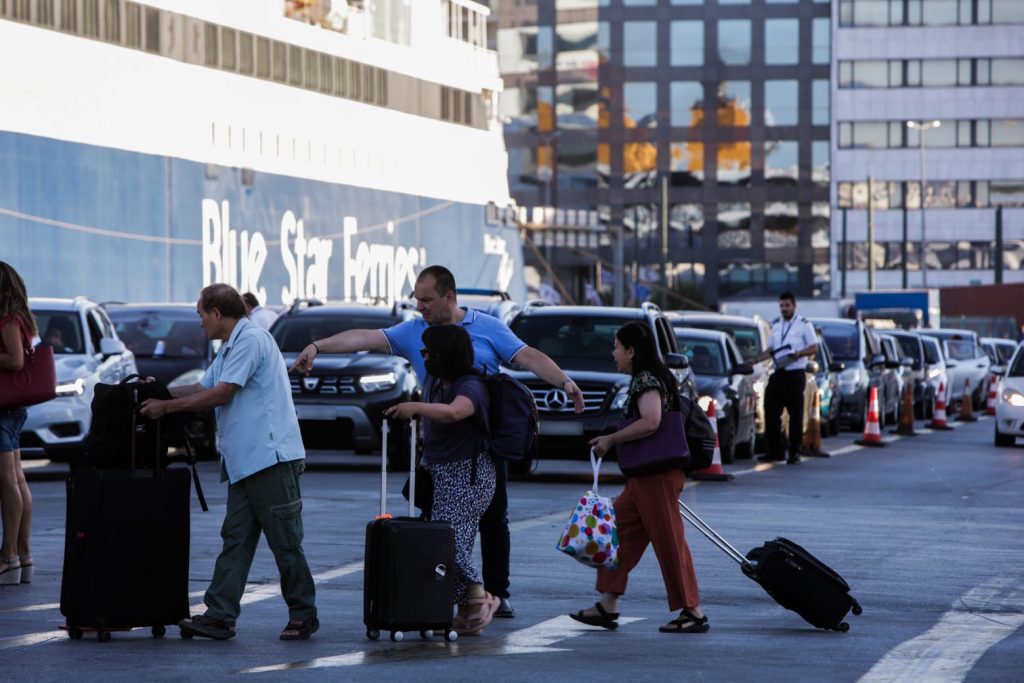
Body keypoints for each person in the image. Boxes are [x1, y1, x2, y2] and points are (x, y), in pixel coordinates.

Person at [291, 265, 584, 618]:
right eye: (417, 299)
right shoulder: (414, 330)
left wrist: (565, 382)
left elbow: (528, 357)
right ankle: (441, 595)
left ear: (449, 297)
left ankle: (494, 593)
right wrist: (317, 346)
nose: (420, 307)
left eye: (427, 300)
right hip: (436, 450)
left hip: (481, 449)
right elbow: (365, 338)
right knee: (434, 525)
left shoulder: (487, 328)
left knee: (491, 521)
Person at [140, 284, 318, 641]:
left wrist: (166, 407)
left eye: (201, 314)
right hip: (246, 462)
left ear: (218, 314)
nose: (200, 322)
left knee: (284, 541)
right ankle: (220, 615)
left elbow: (221, 393)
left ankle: (304, 613)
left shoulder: (251, 340)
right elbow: (203, 386)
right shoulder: (231, 345)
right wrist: (152, 391)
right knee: (235, 539)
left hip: (271, 458)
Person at [570, 321, 708, 634]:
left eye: (616, 347)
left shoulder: (646, 379)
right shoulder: (649, 377)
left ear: (631, 351)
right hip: (643, 477)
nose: (613, 353)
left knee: (670, 544)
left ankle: (693, 612)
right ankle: (607, 604)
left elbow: (651, 422)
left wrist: (612, 439)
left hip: (657, 476)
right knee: (616, 534)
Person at [384, 324, 499, 635]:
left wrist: (415, 408)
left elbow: (455, 413)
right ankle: (465, 610)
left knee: (447, 541)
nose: (424, 356)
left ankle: (481, 596)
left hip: (468, 475)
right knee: (448, 540)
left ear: (443, 353)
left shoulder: (471, 385)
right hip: (440, 474)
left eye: (428, 351)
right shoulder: (437, 380)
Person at [0, 262, 35, 586]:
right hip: (13, 406)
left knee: (7, 480)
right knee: (17, 479)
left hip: (4, 406)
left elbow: (15, 360)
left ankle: (9, 555)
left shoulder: (7, 320)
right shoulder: (18, 318)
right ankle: (22, 555)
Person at [755, 292, 819, 465]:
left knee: (795, 414)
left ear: (794, 305)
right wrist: (754, 359)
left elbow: (814, 347)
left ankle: (794, 451)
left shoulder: (804, 325)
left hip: (795, 373)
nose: (784, 309)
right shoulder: (776, 325)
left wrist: (799, 353)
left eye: (787, 306)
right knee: (770, 410)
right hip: (779, 372)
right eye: (782, 306)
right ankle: (775, 451)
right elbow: (771, 350)